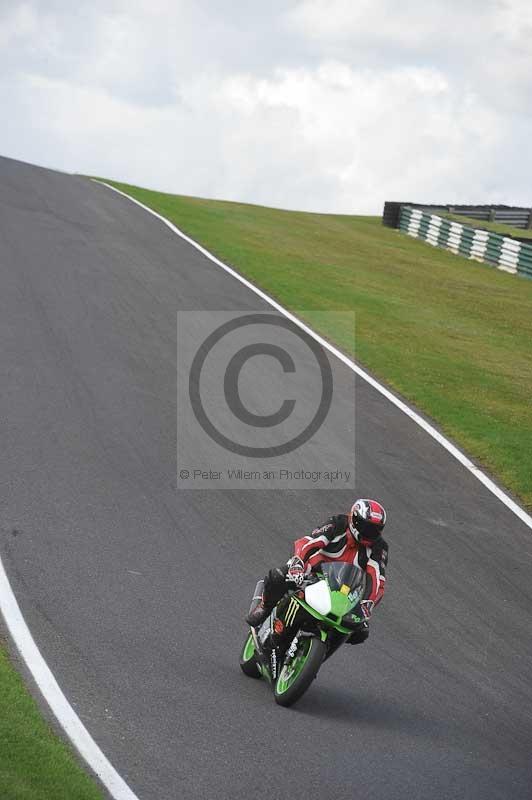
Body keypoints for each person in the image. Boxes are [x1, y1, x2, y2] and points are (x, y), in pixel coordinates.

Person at [246, 499, 388, 644]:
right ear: (354, 519)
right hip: (311, 572)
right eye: (366, 527)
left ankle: (323, 648)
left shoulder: (379, 548)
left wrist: (367, 602)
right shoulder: (338, 524)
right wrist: (297, 563)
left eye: (375, 530)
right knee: (278, 576)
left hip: (342, 589)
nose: (369, 533)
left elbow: (377, 578)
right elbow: (310, 541)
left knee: (361, 631)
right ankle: (265, 606)